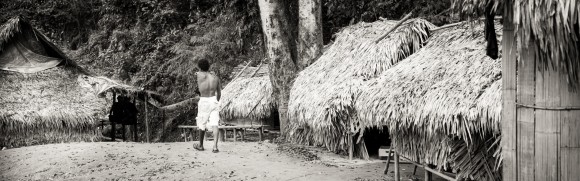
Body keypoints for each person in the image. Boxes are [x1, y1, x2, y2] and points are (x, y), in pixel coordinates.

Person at [192, 59, 221, 153]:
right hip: (213, 100)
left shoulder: (198, 75)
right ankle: (215, 147)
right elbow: (219, 93)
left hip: (204, 100)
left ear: (200, 67)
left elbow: (197, 74)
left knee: (202, 123)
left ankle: (201, 145)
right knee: (215, 124)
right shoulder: (215, 77)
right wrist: (216, 101)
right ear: (209, 67)